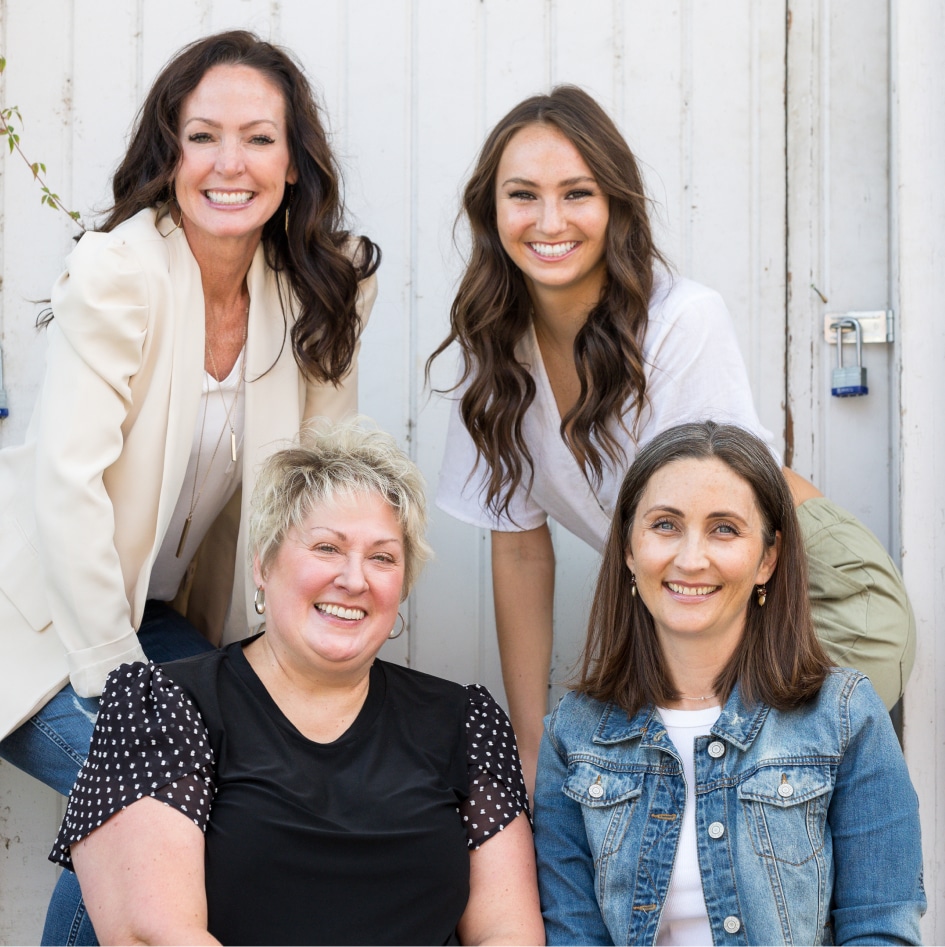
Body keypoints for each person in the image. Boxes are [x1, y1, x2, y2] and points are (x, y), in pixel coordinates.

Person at [0, 30, 378, 943]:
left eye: (257, 138)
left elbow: (324, 491)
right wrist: (119, 683)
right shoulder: (118, 273)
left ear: (294, 164)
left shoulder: (314, 291)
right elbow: (67, 486)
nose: (228, 163)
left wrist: (313, 655)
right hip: (39, 617)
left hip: (155, 613)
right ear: (169, 151)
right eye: (202, 135)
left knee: (252, 777)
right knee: (146, 786)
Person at [428, 85, 915, 790]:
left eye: (577, 193)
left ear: (615, 205)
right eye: (523, 195)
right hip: (696, 587)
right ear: (490, 210)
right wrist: (532, 752)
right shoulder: (492, 350)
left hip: (809, 584)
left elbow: (717, 517)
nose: (549, 220)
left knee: (741, 785)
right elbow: (519, 550)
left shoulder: (679, 320)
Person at [49, 421, 544, 947]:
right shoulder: (164, 706)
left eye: (382, 557)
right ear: (263, 565)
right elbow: (152, 932)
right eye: (327, 548)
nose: (355, 580)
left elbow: (507, 931)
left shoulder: (465, 722)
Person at [533, 421, 925, 946]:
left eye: (724, 529)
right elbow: (573, 936)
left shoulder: (845, 716)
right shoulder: (573, 734)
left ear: (767, 558)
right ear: (629, 549)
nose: (691, 559)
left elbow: (881, 928)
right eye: (666, 525)